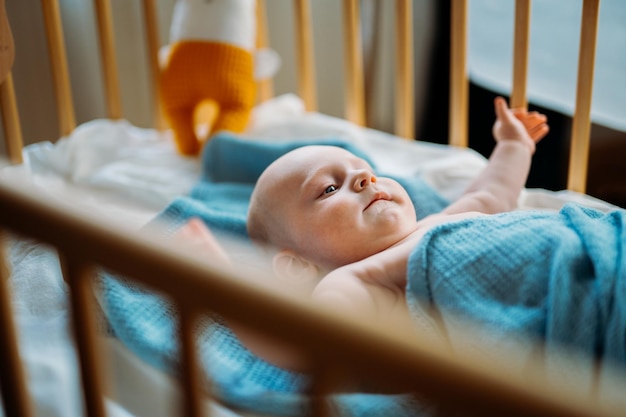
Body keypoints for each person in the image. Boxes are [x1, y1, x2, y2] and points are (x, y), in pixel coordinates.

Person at [174, 96, 550, 370]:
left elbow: (491, 194)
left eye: (365, 169)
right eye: (329, 188)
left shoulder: (435, 223)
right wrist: (214, 278)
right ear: (297, 264)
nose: (364, 177)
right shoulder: (349, 285)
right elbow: (302, 345)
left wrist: (514, 146)